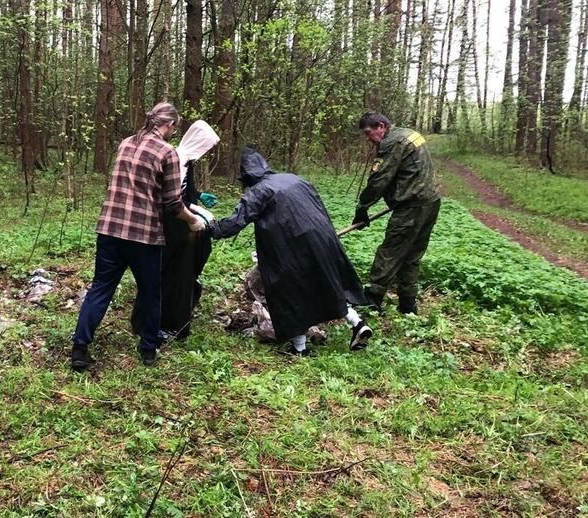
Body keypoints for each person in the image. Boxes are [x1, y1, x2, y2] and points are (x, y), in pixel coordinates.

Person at [70, 102, 208, 371]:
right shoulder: (167, 153)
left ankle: (79, 348)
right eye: (174, 128)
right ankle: (148, 349)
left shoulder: (125, 143)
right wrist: (193, 220)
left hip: (109, 229)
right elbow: (172, 203)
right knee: (150, 292)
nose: (173, 134)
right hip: (143, 236)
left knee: (100, 288)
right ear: (168, 125)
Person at [208, 147, 373, 356]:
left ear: (248, 175)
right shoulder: (296, 179)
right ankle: (357, 323)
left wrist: (211, 228)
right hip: (323, 239)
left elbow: (235, 222)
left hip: (291, 248)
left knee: (289, 293)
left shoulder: (259, 191)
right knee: (327, 284)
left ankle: (299, 349)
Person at [129, 119, 219, 341]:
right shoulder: (176, 160)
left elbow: (184, 193)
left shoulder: (188, 162)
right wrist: (190, 216)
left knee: (181, 277)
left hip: (181, 229)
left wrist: (197, 197)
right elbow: (169, 199)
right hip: (168, 229)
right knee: (165, 276)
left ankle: (172, 322)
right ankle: (155, 324)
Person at [352, 112, 441, 315]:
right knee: (411, 257)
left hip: (411, 207)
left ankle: (371, 301)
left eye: (368, 133)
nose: (367, 138)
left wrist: (362, 208)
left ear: (381, 126)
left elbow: (379, 180)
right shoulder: (408, 134)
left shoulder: (392, 143)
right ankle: (408, 306)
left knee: (389, 253)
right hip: (430, 202)